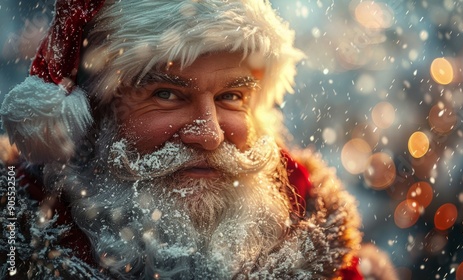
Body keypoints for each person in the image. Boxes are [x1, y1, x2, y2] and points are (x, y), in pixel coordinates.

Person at [0, 0, 397, 279]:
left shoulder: (333, 257)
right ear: (93, 114)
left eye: (230, 96)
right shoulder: (13, 246)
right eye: (167, 94)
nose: (209, 134)